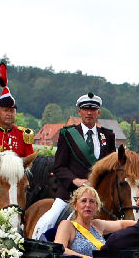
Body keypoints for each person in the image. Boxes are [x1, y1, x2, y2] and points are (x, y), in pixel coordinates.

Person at [32, 92, 116, 238]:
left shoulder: (108, 136)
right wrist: (75, 180)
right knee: (48, 220)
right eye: (85, 109)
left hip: (100, 195)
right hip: (70, 193)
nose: (89, 113)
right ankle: (37, 243)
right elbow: (59, 167)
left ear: (98, 112)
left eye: (93, 109)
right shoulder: (68, 134)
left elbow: (112, 168)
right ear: (79, 111)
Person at [53, 184, 133, 258]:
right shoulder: (67, 225)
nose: (88, 205)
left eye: (91, 201)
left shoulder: (98, 224)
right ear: (75, 206)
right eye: (83, 201)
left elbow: (122, 224)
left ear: (96, 207)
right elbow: (60, 249)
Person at [0, 90, 34, 158]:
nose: (9, 114)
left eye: (12, 111)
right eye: (5, 110)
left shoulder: (22, 135)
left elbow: (30, 160)